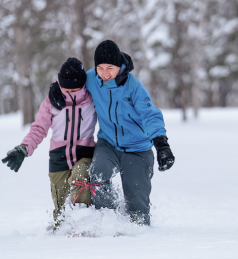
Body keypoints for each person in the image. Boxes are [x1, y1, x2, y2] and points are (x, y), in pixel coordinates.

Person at [85, 40, 175, 226]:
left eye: (110, 68)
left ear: (119, 66)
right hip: (108, 143)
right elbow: (71, 86)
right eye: (100, 68)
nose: (105, 73)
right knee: (98, 173)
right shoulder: (91, 79)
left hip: (137, 148)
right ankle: (107, 221)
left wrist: (162, 144)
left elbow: (150, 115)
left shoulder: (134, 87)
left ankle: (137, 239)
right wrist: (57, 90)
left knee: (138, 213)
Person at [2, 58, 96, 228]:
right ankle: (62, 233)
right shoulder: (52, 101)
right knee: (61, 212)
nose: (69, 93)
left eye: (74, 90)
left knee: (81, 176)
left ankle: (83, 225)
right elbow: (39, 128)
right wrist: (24, 148)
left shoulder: (92, 98)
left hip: (85, 152)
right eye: (65, 89)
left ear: (83, 85)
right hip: (58, 158)